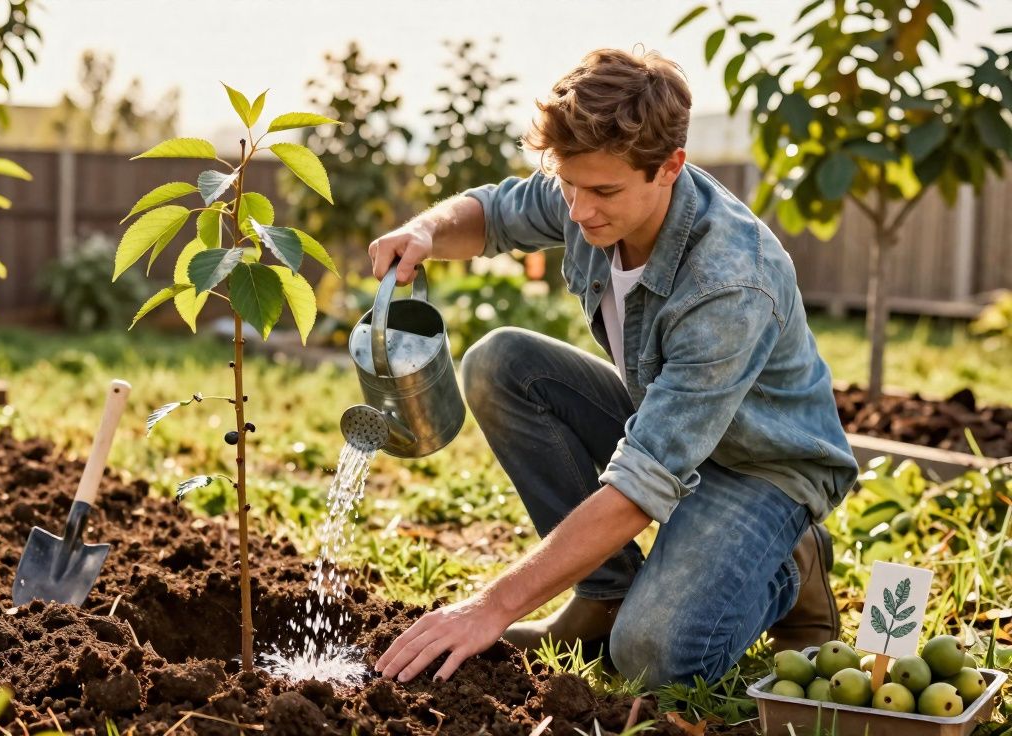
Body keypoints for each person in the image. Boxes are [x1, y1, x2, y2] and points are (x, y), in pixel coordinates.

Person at [368, 48, 859, 687]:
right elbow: (493, 213)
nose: (577, 211)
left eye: (602, 192)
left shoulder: (732, 282)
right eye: (568, 184)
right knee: (500, 363)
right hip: (671, 424)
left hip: (761, 465)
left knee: (655, 657)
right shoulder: (591, 189)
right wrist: (426, 231)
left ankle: (788, 564)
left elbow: (642, 483)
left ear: (670, 167)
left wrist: (491, 607)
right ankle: (605, 596)